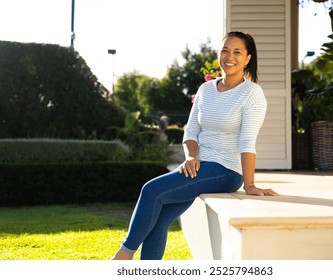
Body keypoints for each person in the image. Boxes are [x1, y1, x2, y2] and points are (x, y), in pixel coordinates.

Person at [111, 31, 278, 260]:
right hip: (198, 166)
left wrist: (248, 183)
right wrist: (191, 157)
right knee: (159, 219)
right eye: (225, 50)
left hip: (226, 170)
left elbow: (247, 140)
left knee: (150, 191)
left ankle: (123, 255)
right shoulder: (206, 89)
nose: (230, 56)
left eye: (237, 52)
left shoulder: (252, 93)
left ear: (248, 58)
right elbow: (191, 130)